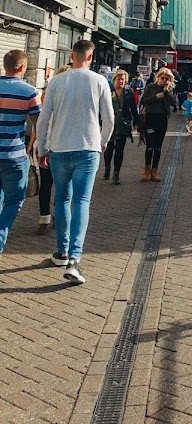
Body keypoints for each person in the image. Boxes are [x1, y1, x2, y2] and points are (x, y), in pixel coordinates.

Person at [36, 40, 114, 285]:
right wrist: (102, 141)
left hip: (59, 148)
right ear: (91, 57)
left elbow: (43, 118)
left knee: (62, 199)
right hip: (87, 148)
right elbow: (109, 117)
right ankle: (74, 259)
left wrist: (43, 147)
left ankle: (62, 251)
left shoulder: (56, 81)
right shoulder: (99, 81)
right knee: (82, 201)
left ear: (71, 55)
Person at [0, 49, 41, 255]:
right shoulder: (29, 92)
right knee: (14, 200)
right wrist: (37, 148)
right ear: (23, 67)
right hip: (14, 156)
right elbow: (39, 124)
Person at [36, 64, 71, 233]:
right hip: (61, 147)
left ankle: (44, 219)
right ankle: (58, 218)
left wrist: (39, 146)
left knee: (46, 184)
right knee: (61, 186)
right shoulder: (70, 100)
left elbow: (41, 124)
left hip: (48, 145)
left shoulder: (47, 95)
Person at [103, 70, 138, 184]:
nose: (121, 81)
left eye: (123, 79)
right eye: (119, 79)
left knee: (119, 150)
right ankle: (107, 168)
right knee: (108, 150)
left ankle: (116, 173)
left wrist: (136, 122)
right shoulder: (108, 91)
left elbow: (133, 108)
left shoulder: (129, 92)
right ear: (114, 80)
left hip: (122, 125)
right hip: (109, 124)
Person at [138, 67, 173, 181]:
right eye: (162, 78)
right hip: (150, 118)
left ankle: (154, 171)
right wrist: (155, 97)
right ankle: (146, 169)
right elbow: (143, 101)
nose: (164, 80)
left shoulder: (168, 89)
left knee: (158, 147)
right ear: (158, 77)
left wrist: (166, 91)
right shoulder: (151, 87)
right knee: (150, 146)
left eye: (167, 79)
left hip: (162, 119)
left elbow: (173, 103)